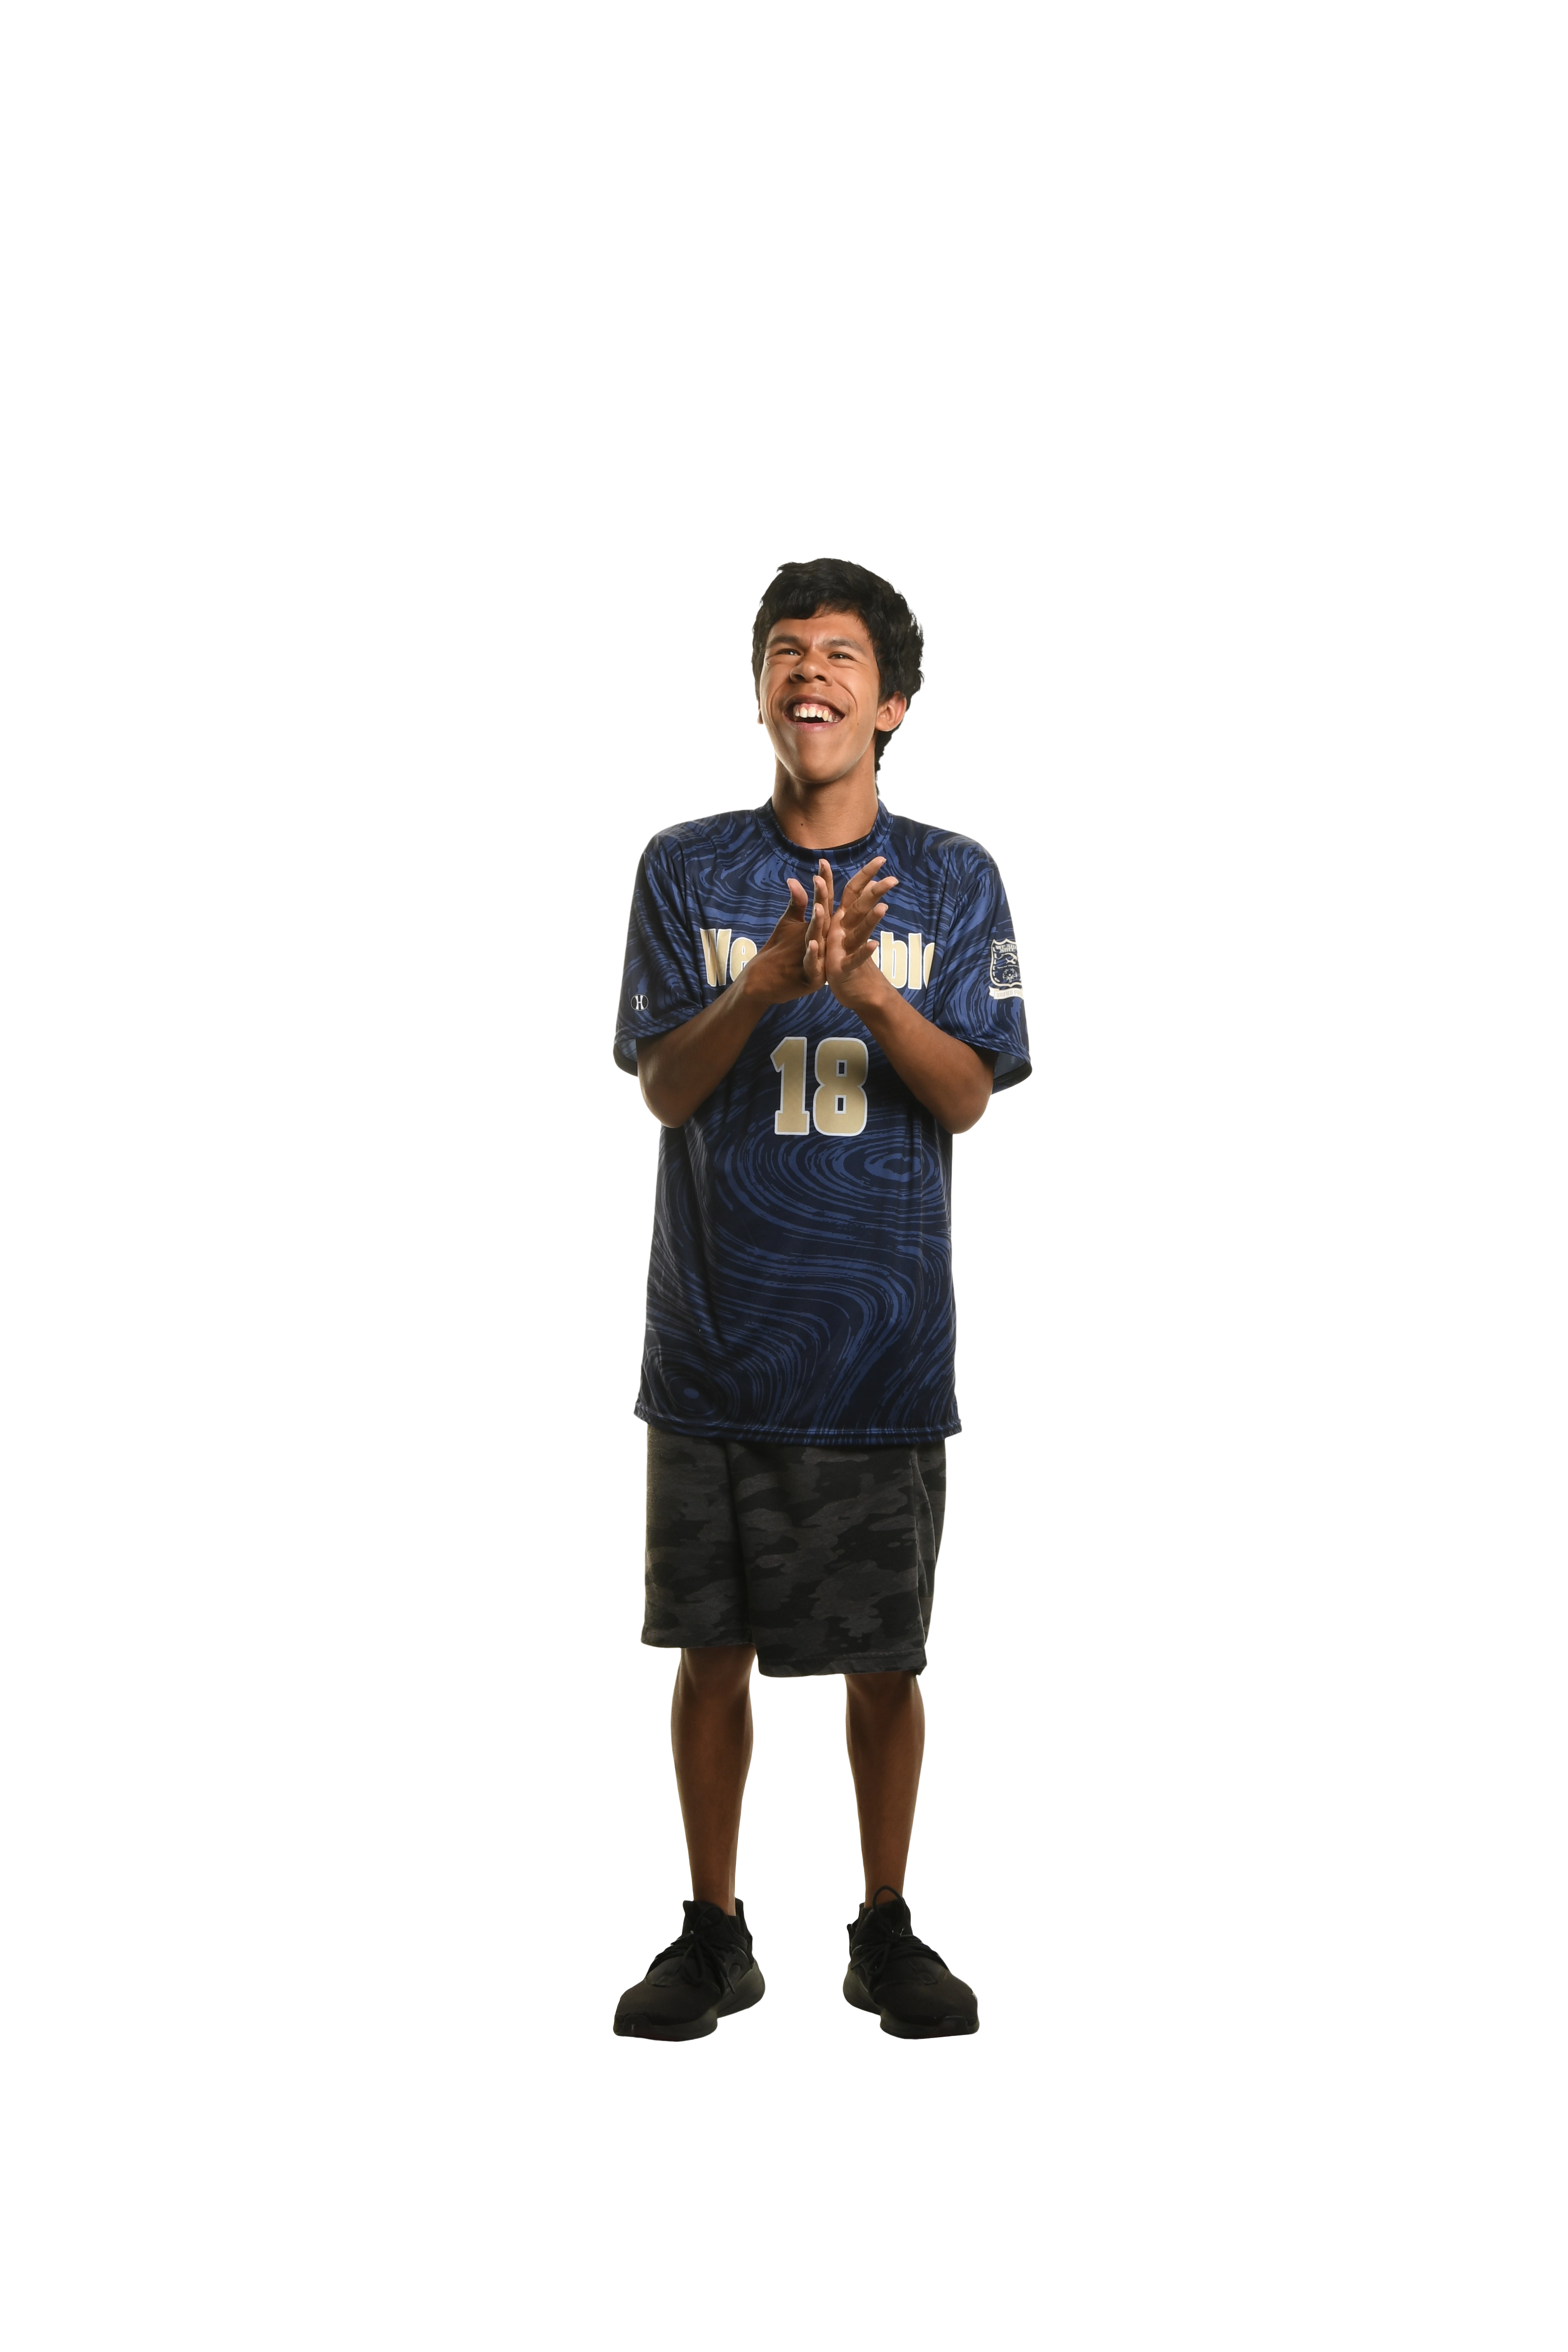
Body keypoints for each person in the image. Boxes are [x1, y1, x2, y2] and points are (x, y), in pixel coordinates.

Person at [610, 557, 1030, 2040]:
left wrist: (865, 992)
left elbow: (968, 1096)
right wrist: (764, 983)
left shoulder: (955, 877)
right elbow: (663, 1089)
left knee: (887, 1660)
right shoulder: (685, 867)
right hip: (717, 1339)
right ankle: (714, 1933)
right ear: (760, 692)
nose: (812, 671)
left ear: (891, 699)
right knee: (707, 1652)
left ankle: (886, 1926)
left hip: (881, 1347)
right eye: (787, 649)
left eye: (842, 653)